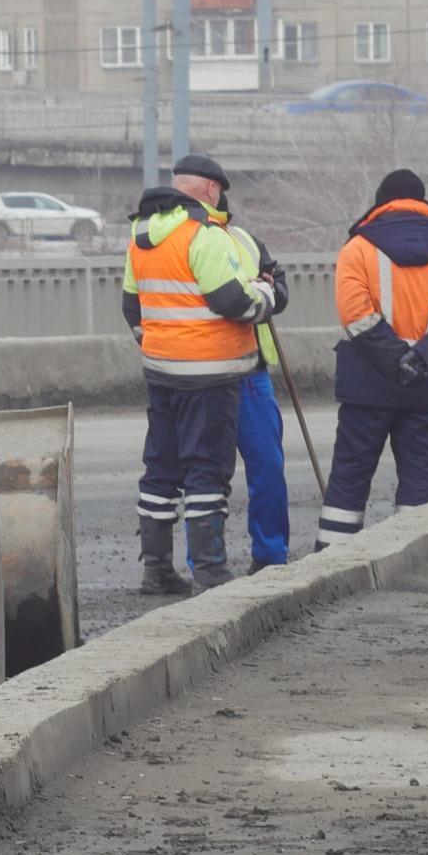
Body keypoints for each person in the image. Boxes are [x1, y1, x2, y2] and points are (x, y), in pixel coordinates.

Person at [121, 152, 281, 595]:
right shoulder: (203, 235)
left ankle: (157, 571)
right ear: (212, 190)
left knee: (160, 469)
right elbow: (234, 302)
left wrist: (162, 342)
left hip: (161, 372)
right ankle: (210, 572)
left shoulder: (141, 237)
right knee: (206, 472)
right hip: (210, 375)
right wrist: (267, 296)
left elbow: (132, 307)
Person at [319, 168, 428, 544]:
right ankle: (415, 555)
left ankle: (331, 559)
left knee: (350, 477)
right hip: (425, 388)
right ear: (423, 204)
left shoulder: (357, 250)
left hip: (366, 387)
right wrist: (421, 358)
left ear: (381, 203)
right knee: (419, 480)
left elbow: (355, 314)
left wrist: (395, 359)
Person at [196, 168, 294, 573]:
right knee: (208, 470)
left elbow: (281, 289)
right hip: (207, 373)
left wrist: (269, 290)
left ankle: (270, 557)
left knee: (266, 465)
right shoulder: (188, 242)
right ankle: (209, 563)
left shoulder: (247, 241)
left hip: (251, 372)